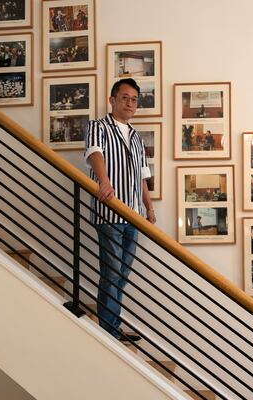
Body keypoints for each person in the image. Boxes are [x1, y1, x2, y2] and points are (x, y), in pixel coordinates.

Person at [84, 78, 156, 343]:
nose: (130, 103)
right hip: (110, 211)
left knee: (121, 273)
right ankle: (110, 329)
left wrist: (149, 207)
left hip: (134, 215)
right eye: (124, 98)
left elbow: (142, 175)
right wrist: (104, 180)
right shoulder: (97, 126)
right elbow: (94, 153)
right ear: (112, 100)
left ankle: (109, 323)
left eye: (134, 100)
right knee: (113, 271)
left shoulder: (137, 137)